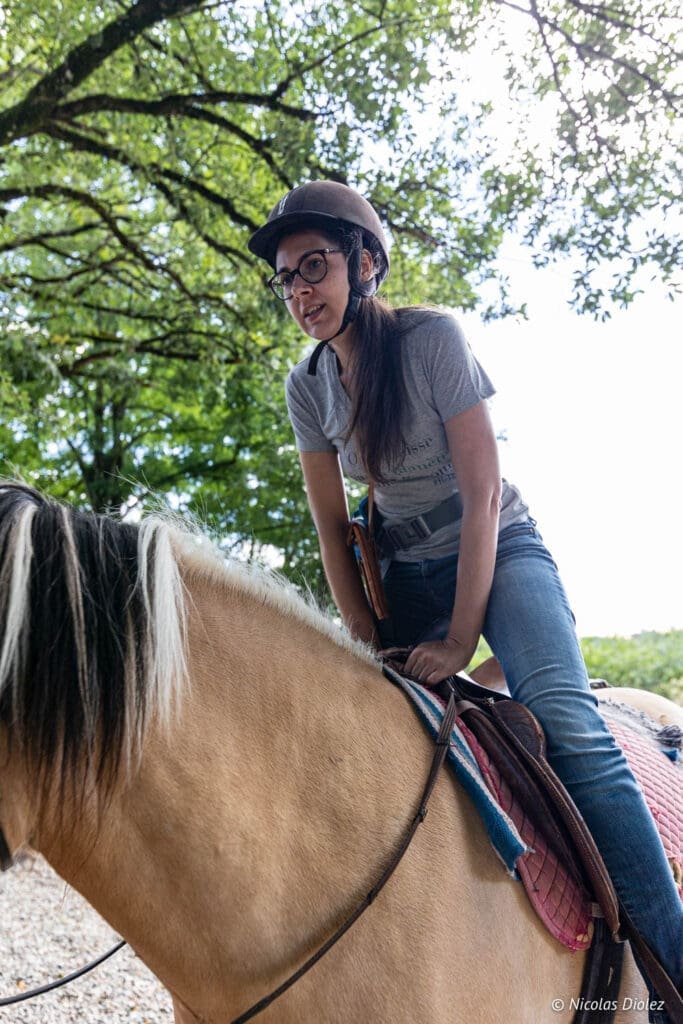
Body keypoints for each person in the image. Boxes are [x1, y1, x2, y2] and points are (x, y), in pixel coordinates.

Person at [248, 180, 682, 1020]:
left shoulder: (431, 341)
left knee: (563, 717)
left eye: (315, 267)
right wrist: (365, 633)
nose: (300, 290)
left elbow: (482, 496)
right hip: (404, 572)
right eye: (286, 278)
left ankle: (671, 961)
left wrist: (456, 642)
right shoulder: (308, 388)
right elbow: (333, 531)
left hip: (499, 548)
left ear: (364, 264)